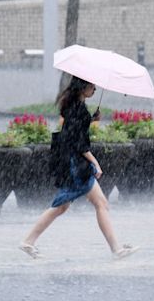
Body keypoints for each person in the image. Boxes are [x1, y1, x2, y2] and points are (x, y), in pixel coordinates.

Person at [19, 76, 139, 260]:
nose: (95, 89)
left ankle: (28, 241)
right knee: (99, 204)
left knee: (61, 206)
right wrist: (95, 162)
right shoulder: (79, 109)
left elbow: (73, 131)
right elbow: (79, 143)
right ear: (83, 86)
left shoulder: (72, 105)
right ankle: (116, 249)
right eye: (92, 85)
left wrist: (91, 120)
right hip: (76, 165)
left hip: (68, 162)